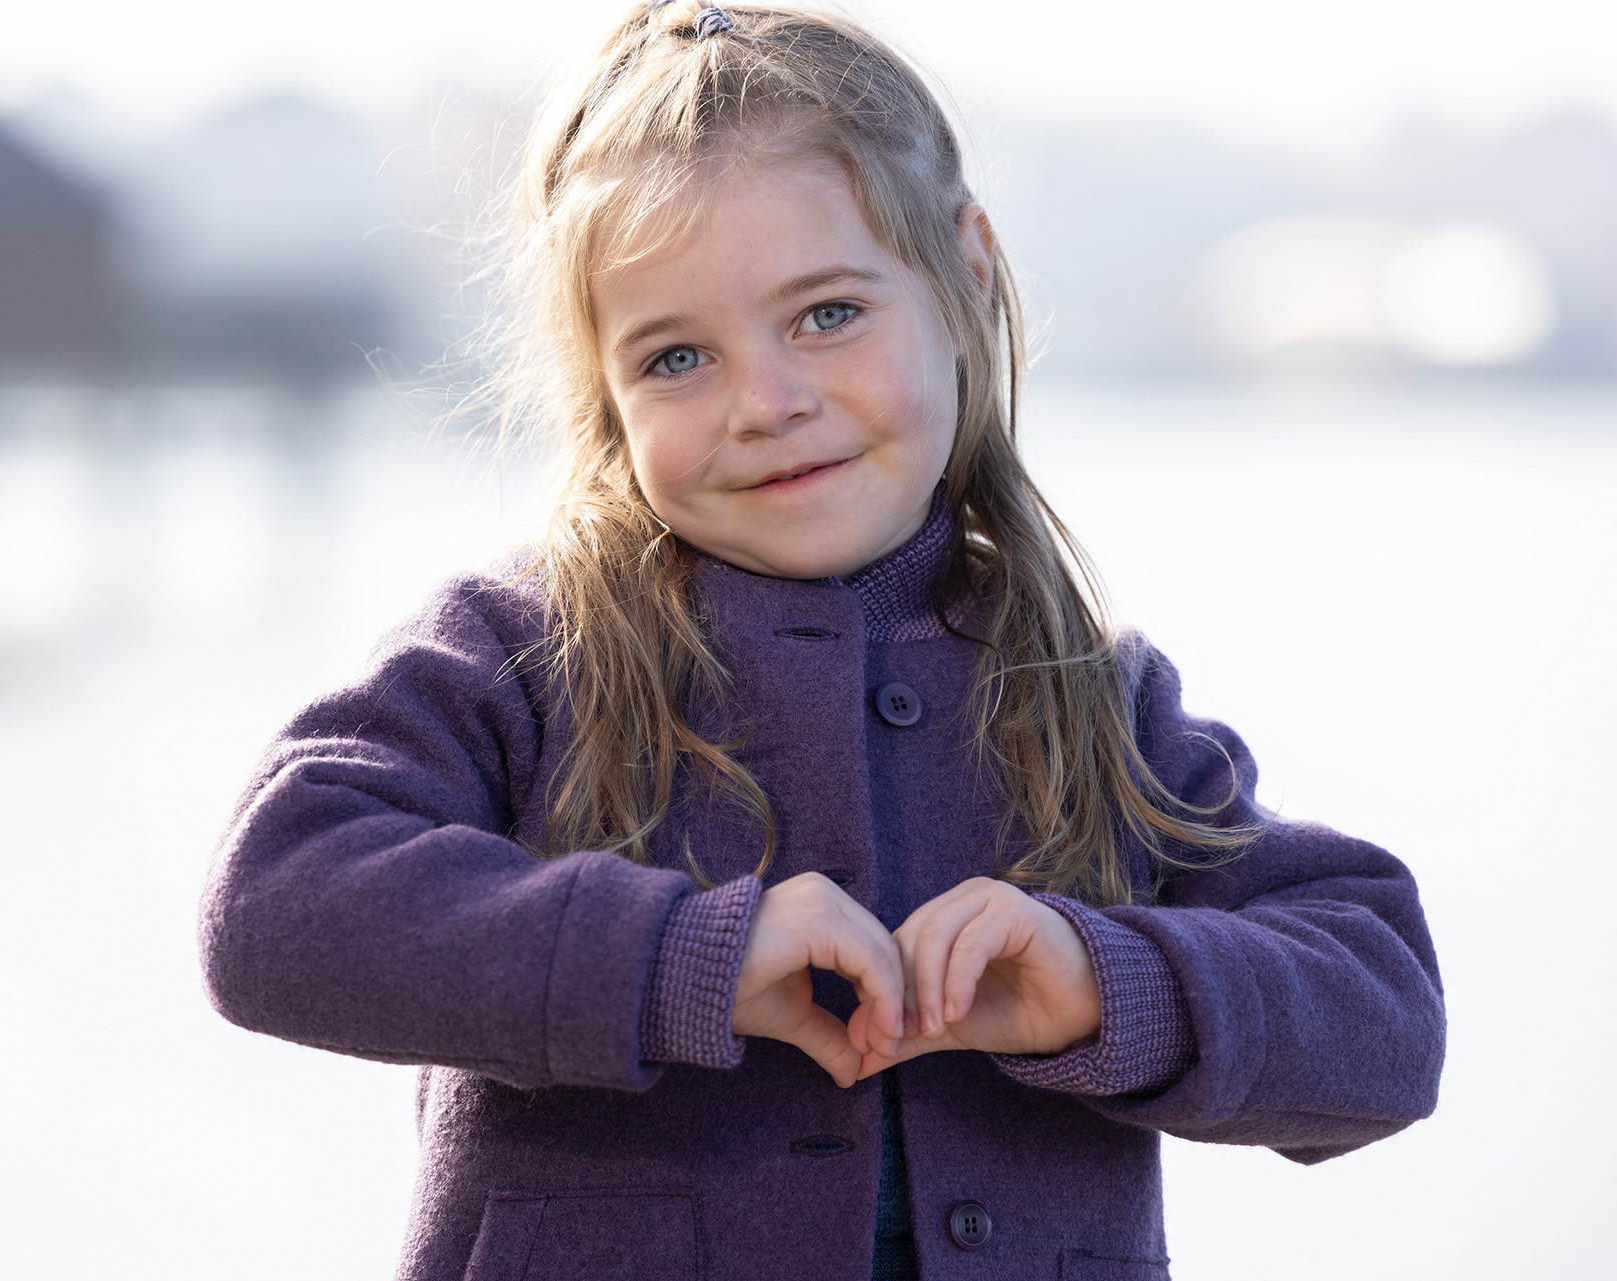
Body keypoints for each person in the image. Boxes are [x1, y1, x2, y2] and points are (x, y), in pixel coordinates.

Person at [198, 5, 1446, 1278]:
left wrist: (1109, 983)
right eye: (677, 355)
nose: (768, 403)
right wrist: (687, 958)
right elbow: (273, 904)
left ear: (964, 275)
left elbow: (1385, 1011)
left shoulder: (1085, 692)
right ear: (604, 389)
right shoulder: (524, 655)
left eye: (828, 315)